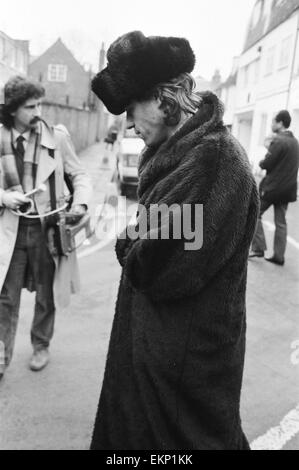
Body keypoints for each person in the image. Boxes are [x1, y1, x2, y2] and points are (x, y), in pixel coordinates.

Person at [90, 31, 259, 450]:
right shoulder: (186, 154)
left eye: (131, 108)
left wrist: (129, 239)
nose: (129, 123)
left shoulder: (212, 161)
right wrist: (140, 234)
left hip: (183, 374)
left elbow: (161, 268)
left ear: (164, 99)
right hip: (159, 359)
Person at [0, 76, 91, 381]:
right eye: (30, 106)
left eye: (39, 103)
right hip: (10, 230)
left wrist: (80, 203)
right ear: (12, 110)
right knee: (6, 297)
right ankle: (1, 355)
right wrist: (4, 196)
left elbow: (79, 175)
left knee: (46, 294)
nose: (37, 110)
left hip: (48, 228)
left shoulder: (57, 136)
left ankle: (41, 345)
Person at [249, 110, 299, 266]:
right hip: (288, 189)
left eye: (273, 121)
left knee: (254, 213)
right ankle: (279, 256)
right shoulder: (295, 142)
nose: (271, 124)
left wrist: (263, 159)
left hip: (272, 188)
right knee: (281, 222)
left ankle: (258, 248)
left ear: (280, 123)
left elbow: (266, 164)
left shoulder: (278, 141)